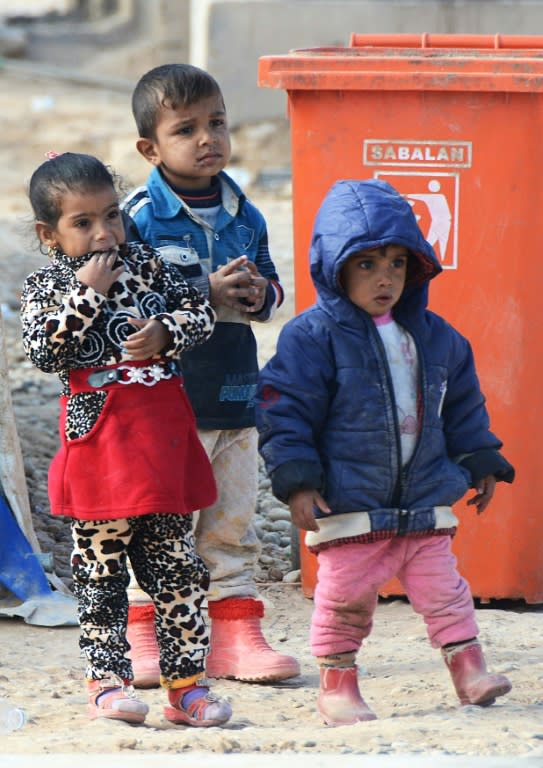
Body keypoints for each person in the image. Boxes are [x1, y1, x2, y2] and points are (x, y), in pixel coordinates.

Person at [255, 178, 515, 726]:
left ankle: (469, 671)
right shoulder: (312, 337)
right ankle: (338, 686)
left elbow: (462, 406)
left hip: (423, 503)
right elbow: (285, 410)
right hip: (350, 507)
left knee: (446, 594)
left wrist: (480, 458)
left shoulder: (440, 337)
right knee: (344, 601)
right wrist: (299, 480)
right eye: (367, 264)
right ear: (335, 267)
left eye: (398, 263)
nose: (386, 278)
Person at [20, 151, 232, 728]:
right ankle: (107, 683)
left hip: (159, 436)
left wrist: (168, 330)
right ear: (49, 234)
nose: (102, 231)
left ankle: (187, 687)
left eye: (111, 215)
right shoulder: (48, 285)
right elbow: (44, 351)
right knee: (100, 572)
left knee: (179, 570)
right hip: (99, 445)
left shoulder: (151, 266)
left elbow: (202, 313)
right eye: (81, 222)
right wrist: (86, 294)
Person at [121, 63, 300, 686]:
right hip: (164, 402)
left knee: (231, 519)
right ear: (151, 147)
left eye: (217, 123)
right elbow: (124, 300)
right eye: (187, 128)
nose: (208, 139)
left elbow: (276, 288)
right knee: (161, 518)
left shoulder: (244, 212)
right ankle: (146, 637)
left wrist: (258, 295)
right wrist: (203, 287)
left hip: (233, 395)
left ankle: (234, 638)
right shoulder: (139, 217)